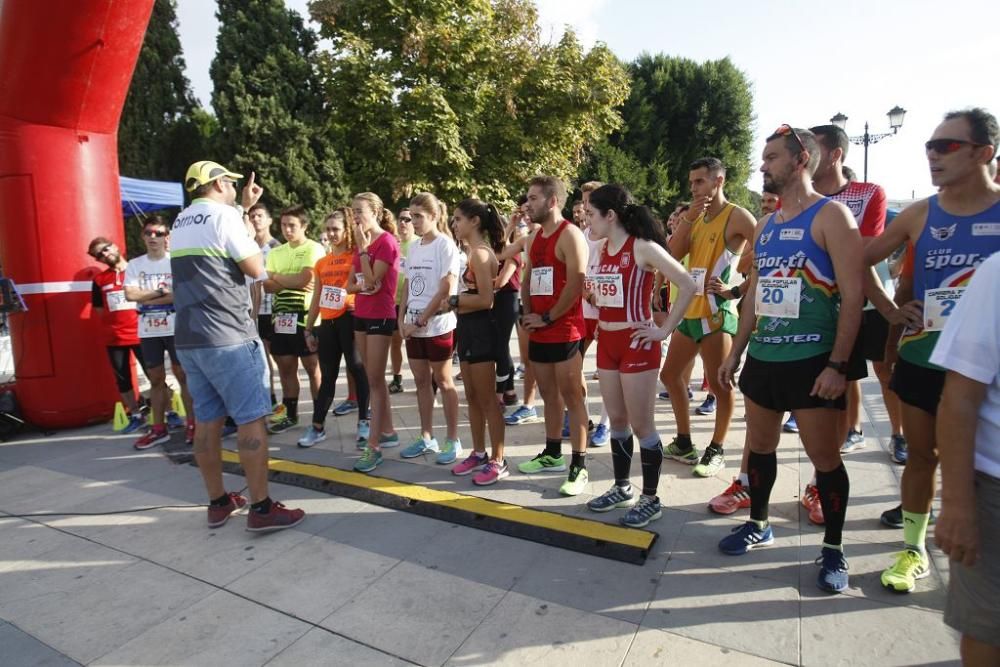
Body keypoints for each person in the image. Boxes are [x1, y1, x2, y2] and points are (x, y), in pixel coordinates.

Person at [718, 126, 863, 593]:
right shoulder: (766, 225)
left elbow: (855, 295)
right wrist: (735, 353)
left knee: (824, 458)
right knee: (760, 448)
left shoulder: (832, 216)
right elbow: (755, 296)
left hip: (812, 359)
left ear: (801, 160)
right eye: (763, 157)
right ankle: (759, 522)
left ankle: (834, 550)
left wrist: (838, 365)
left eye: (772, 157)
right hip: (764, 357)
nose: (763, 166)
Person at [863, 108, 1000, 594]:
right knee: (922, 457)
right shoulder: (922, 213)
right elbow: (856, 260)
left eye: (947, 146)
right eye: (929, 146)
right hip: (925, 360)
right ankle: (914, 549)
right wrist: (888, 309)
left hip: (988, 375)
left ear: (984, 153)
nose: (933, 155)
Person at [172, 160, 304, 531]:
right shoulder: (224, 217)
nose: (233, 186)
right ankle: (261, 509)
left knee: (207, 421)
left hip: (190, 338)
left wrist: (243, 209)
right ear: (217, 184)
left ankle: (217, 502)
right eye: (228, 182)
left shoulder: (182, 220)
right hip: (227, 335)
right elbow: (255, 268)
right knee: (250, 419)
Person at [583, 184, 696, 526]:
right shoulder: (602, 249)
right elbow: (607, 296)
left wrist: (663, 331)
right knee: (617, 421)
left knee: (642, 424)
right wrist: (596, 301)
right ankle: (621, 487)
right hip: (608, 344)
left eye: (590, 214)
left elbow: (688, 284)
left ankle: (651, 498)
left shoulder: (642, 248)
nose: (586, 221)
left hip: (637, 344)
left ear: (610, 215)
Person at [660, 158, 756, 478]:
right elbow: (672, 254)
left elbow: (768, 254)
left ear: (718, 181)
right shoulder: (695, 217)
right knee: (671, 376)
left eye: (699, 182)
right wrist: (688, 218)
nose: (694, 188)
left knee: (720, 384)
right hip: (690, 311)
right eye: (691, 183)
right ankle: (685, 442)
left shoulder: (737, 216)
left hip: (717, 314)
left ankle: (717, 448)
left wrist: (737, 289)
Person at [931, 251, 1000, 666]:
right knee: (988, 630)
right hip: (993, 489)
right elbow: (958, 398)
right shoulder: (996, 272)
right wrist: (956, 505)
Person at [517, 175, 590, 496]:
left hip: (565, 328)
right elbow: (527, 279)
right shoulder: (534, 239)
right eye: (528, 198)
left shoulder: (570, 235)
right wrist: (527, 315)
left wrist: (547, 316)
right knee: (549, 397)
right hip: (539, 329)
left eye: (534, 198)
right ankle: (552, 453)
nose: (528, 204)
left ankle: (580, 464)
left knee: (573, 398)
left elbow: (576, 284)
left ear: (552, 201)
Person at [397, 192, 463, 463]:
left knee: (444, 381)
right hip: (412, 326)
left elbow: (445, 289)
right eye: (411, 217)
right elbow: (409, 285)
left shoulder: (445, 245)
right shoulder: (414, 246)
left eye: (418, 216)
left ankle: (452, 440)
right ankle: (426, 437)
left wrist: (420, 320)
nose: (413, 222)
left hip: (437, 325)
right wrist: (401, 319)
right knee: (421, 382)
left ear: (434, 216)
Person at [298, 209, 370, 448]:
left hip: (349, 319)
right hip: (327, 323)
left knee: (357, 369)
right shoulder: (321, 263)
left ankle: (364, 422)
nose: (331, 234)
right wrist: (309, 329)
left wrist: (348, 297)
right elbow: (318, 295)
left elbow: (363, 285)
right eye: (328, 229)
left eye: (336, 229)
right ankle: (317, 426)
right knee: (328, 375)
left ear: (346, 230)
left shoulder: (355, 257)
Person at [448, 198, 509, 484]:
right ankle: (479, 452)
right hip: (467, 326)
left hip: (482, 328)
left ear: (474, 222)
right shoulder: (470, 253)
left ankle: (498, 459)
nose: (454, 224)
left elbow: (486, 299)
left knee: (487, 399)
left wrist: (453, 301)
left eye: (458, 219)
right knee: (471, 396)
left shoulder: (481, 255)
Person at [123, 215, 194, 449]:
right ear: (142, 236)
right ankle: (158, 428)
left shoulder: (176, 261)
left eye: (159, 233)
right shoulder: (135, 264)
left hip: (176, 326)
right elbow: (130, 295)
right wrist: (159, 293)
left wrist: (149, 295)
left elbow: (182, 294)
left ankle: (192, 424)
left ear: (167, 237)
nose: (154, 237)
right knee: (156, 379)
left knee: (183, 375)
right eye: (149, 233)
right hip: (149, 329)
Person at [349, 192, 401, 472]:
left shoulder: (386, 242)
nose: (356, 217)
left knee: (374, 380)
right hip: (361, 314)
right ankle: (389, 431)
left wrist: (363, 250)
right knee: (373, 379)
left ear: (376, 213)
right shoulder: (362, 246)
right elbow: (352, 286)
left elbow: (371, 280)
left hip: (381, 315)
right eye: (353, 212)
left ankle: (374, 447)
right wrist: (364, 283)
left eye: (360, 211)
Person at [261, 206, 325, 433]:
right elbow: (266, 285)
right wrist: (285, 279)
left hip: (307, 319)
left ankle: (319, 416)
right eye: (284, 225)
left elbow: (305, 279)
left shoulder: (313, 248)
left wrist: (277, 278)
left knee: (312, 368)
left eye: (292, 226)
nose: (287, 230)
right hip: (281, 318)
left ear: (304, 226)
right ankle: (290, 414)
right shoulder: (276, 252)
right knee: (286, 368)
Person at [88, 236, 149, 434]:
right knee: (122, 379)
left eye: (106, 249)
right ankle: (136, 415)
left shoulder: (138, 267)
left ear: (114, 246)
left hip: (143, 332)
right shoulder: (99, 280)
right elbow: (98, 309)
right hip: (115, 337)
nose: (105, 254)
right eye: (100, 254)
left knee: (154, 374)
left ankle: (169, 412)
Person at [580, 180, 611, 447]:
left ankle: (605, 423)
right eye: (585, 201)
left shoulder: (614, 236)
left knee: (607, 371)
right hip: (582, 311)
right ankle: (582, 417)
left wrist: (602, 307)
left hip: (606, 313)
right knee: (572, 368)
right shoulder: (579, 235)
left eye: (591, 201)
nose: (586, 206)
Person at [247, 204, 282, 411]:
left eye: (260, 215)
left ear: (269, 220)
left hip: (275, 310)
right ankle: (269, 398)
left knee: (283, 359)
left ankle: (287, 401)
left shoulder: (276, 247)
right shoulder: (246, 248)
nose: (256, 219)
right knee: (262, 357)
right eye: (252, 216)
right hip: (254, 311)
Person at [388, 207, 414, 395]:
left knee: (414, 343)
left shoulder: (418, 244)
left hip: (413, 302)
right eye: (400, 219)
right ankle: (397, 379)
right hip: (393, 301)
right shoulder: (393, 244)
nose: (403, 223)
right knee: (395, 342)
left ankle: (427, 381)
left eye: (407, 219)